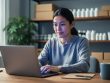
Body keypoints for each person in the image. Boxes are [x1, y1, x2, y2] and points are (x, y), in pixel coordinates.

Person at [38, 8, 90, 74]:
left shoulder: (82, 42)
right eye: (55, 24)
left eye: (62, 24)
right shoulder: (51, 42)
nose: (58, 29)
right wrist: (37, 65)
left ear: (72, 24)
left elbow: (84, 65)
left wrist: (59, 68)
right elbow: (40, 61)